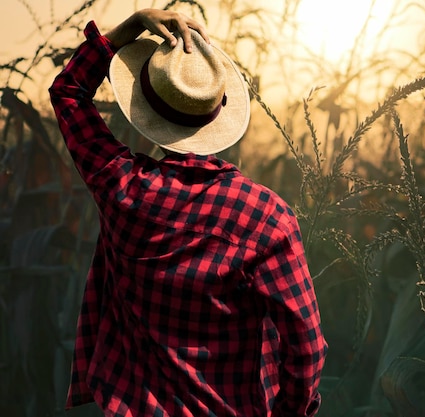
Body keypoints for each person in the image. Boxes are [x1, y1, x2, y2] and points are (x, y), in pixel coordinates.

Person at [49, 8, 327, 417]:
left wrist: (133, 24)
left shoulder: (120, 186)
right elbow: (306, 349)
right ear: (219, 108)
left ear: (146, 109)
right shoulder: (268, 218)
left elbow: (69, 91)